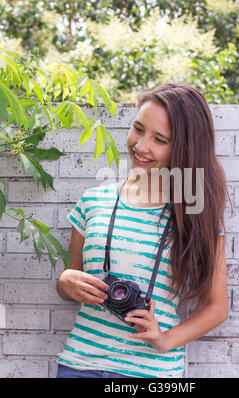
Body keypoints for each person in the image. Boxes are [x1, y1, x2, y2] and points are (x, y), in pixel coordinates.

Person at [55, 82, 229, 378]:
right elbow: (71, 284)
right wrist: (65, 281)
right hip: (79, 366)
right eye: (138, 129)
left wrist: (165, 339)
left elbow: (217, 306)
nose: (141, 146)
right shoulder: (93, 201)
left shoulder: (195, 215)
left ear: (184, 149)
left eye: (160, 139)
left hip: (152, 373)